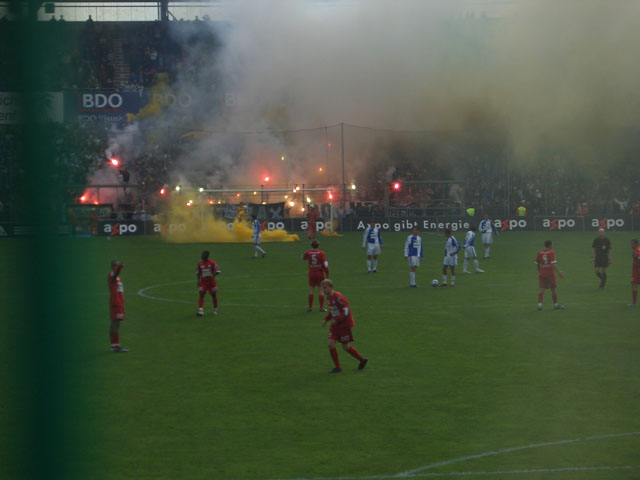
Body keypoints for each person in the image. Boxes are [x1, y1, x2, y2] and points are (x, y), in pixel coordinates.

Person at [320, 279, 368, 373]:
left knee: (345, 347)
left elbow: (346, 312)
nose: (323, 290)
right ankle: (338, 367)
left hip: (344, 325)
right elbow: (332, 311)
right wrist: (326, 319)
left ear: (331, 287)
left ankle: (362, 360)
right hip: (335, 325)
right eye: (322, 288)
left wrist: (337, 320)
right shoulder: (329, 297)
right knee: (330, 344)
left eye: (325, 288)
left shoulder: (339, 297)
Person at [535, 240, 564, 311]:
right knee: (553, 289)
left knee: (542, 289)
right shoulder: (551, 252)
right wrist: (559, 272)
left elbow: (537, 263)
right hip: (550, 273)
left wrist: (539, 270)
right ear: (550, 245)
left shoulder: (540, 252)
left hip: (542, 272)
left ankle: (539, 305)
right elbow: (553, 264)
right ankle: (556, 305)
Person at [302, 240, 330, 312]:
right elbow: (325, 264)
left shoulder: (308, 252)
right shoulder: (321, 253)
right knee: (321, 289)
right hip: (319, 273)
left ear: (311, 245)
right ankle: (321, 308)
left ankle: (310, 307)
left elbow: (302, 257)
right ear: (318, 245)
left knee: (311, 289)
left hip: (311, 273)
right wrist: (327, 273)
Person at [108, 260, 128, 352]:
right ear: (113, 266)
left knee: (116, 324)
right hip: (116, 303)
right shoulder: (112, 275)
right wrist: (120, 267)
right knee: (115, 324)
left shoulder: (117, 277)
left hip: (118, 303)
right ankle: (115, 346)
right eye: (115, 265)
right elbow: (115, 273)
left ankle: (115, 345)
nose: (116, 267)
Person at [196, 250, 221, 316]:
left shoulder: (212, 263)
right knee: (201, 294)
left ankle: (215, 309)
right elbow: (198, 273)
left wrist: (212, 275)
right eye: (202, 254)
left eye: (203, 254)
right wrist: (198, 281)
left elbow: (218, 271)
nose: (202, 256)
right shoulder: (200, 264)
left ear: (206, 256)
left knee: (213, 295)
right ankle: (200, 310)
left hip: (211, 282)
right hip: (203, 282)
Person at [630, 239, 640, 306]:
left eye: (632, 244)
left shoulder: (636, 251)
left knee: (634, 284)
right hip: (636, 270)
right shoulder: (638, 249)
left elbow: (639, 257)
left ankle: (634, 303)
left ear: (636, 244)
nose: (631, 245)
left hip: (637, 270)